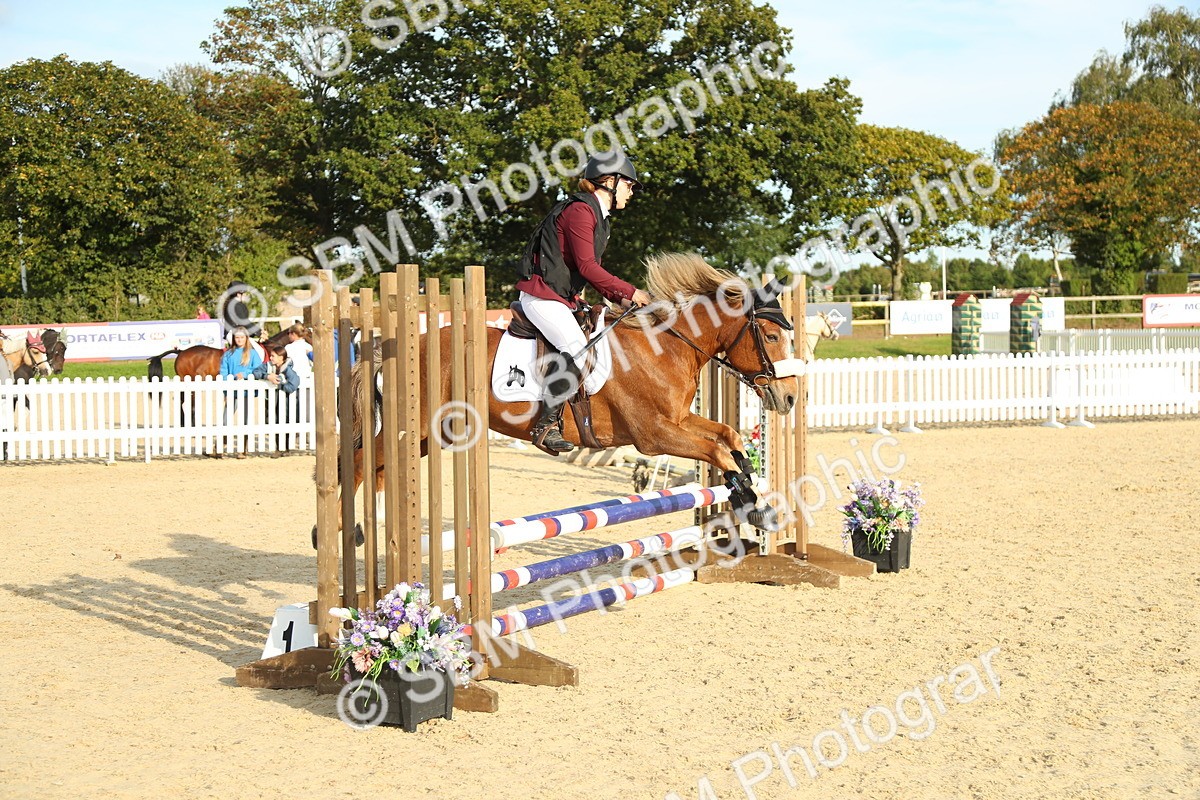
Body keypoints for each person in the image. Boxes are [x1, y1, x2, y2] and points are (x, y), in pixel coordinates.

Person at [515, 150, 651, 454]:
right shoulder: (580, 211)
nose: (631, 192)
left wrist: (619, 298)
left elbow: (587, 273)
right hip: (541, 296)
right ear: (610, 181)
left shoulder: (600, 219)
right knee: (577, 350)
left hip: (562, 298)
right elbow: (589, 267)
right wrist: (630, 291)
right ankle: (545, 426)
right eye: (629, 185)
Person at [215, 326, 264, 458]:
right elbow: (223, 372)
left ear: (246, 338)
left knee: (246, 419)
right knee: (226, 419)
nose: (239, 340)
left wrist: (246, 374)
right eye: (237, 337)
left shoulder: (253, 354)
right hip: (232, 392)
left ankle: (243, 449)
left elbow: (258, 369)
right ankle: (220, 446)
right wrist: (227, 387)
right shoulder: (228, 354)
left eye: (242, 337)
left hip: (247, 392)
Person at [253, 344, 300, 456]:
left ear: (281, 358)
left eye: (273, 356)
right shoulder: (268, 366)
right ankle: (279, 448)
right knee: (274, 421)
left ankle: (286, 448)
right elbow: (255, 372)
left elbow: (293, 385)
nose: (271, 358)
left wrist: (280, 384)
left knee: (286, 421)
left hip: (286, 402)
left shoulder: (288, 370)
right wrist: (267, 376)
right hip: (271, 400)